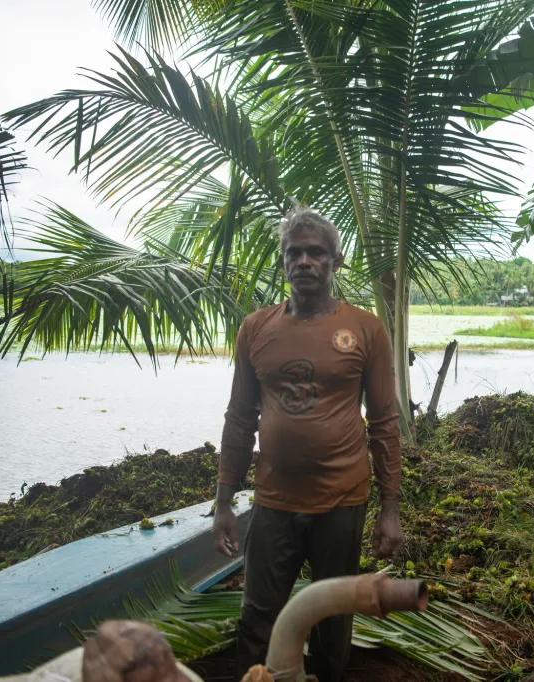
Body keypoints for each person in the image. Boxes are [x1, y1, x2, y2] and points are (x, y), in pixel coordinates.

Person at [212, 207, 404, 682]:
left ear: (335, 261)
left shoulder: (365, 329)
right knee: (258, 617)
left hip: (342, 501)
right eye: (294, 252)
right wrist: (223, 501)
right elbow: (240, 419)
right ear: (283, 262)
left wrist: (391, 507)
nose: (304, 261)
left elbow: (383, 422)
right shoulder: (256, 328)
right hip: (275, 501)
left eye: (315, 252)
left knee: (333, 622)